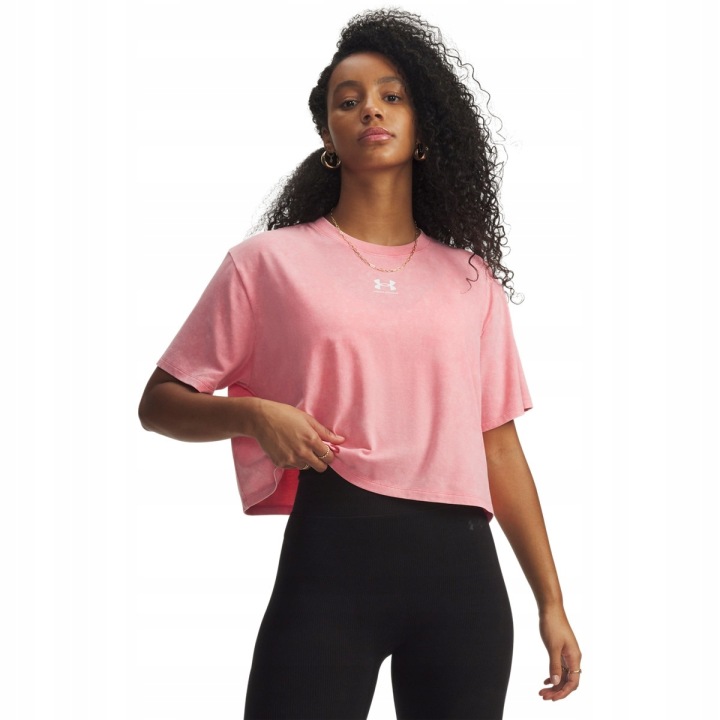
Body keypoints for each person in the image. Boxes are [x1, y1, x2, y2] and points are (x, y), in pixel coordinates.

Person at [138, 8, 581, 719]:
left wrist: (551, 603)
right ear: (327, 135)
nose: (370, 108)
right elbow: (158, 403)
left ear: (423, 128)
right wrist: (254, 415)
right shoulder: (266, 264)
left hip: (463, 581)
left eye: (391, 95)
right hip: (331, 564)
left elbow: (498, 447)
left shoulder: (472, 280)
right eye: (348, 100)